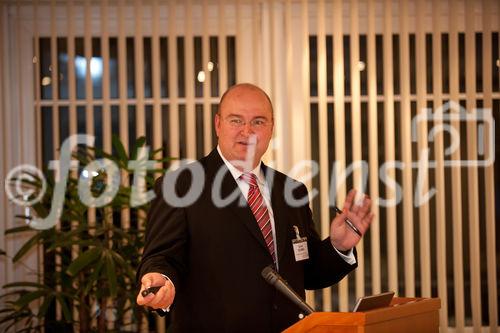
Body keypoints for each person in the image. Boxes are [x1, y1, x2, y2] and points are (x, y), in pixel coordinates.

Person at [136, 83, 374, 332]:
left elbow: (306, 272)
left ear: (271, 128)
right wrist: (161, 281)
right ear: (218, 125)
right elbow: (161, 257)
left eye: (258, 122)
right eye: (236, 120)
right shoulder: (181, 186)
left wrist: (338, 246)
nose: (247, 131)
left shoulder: (291, 190)